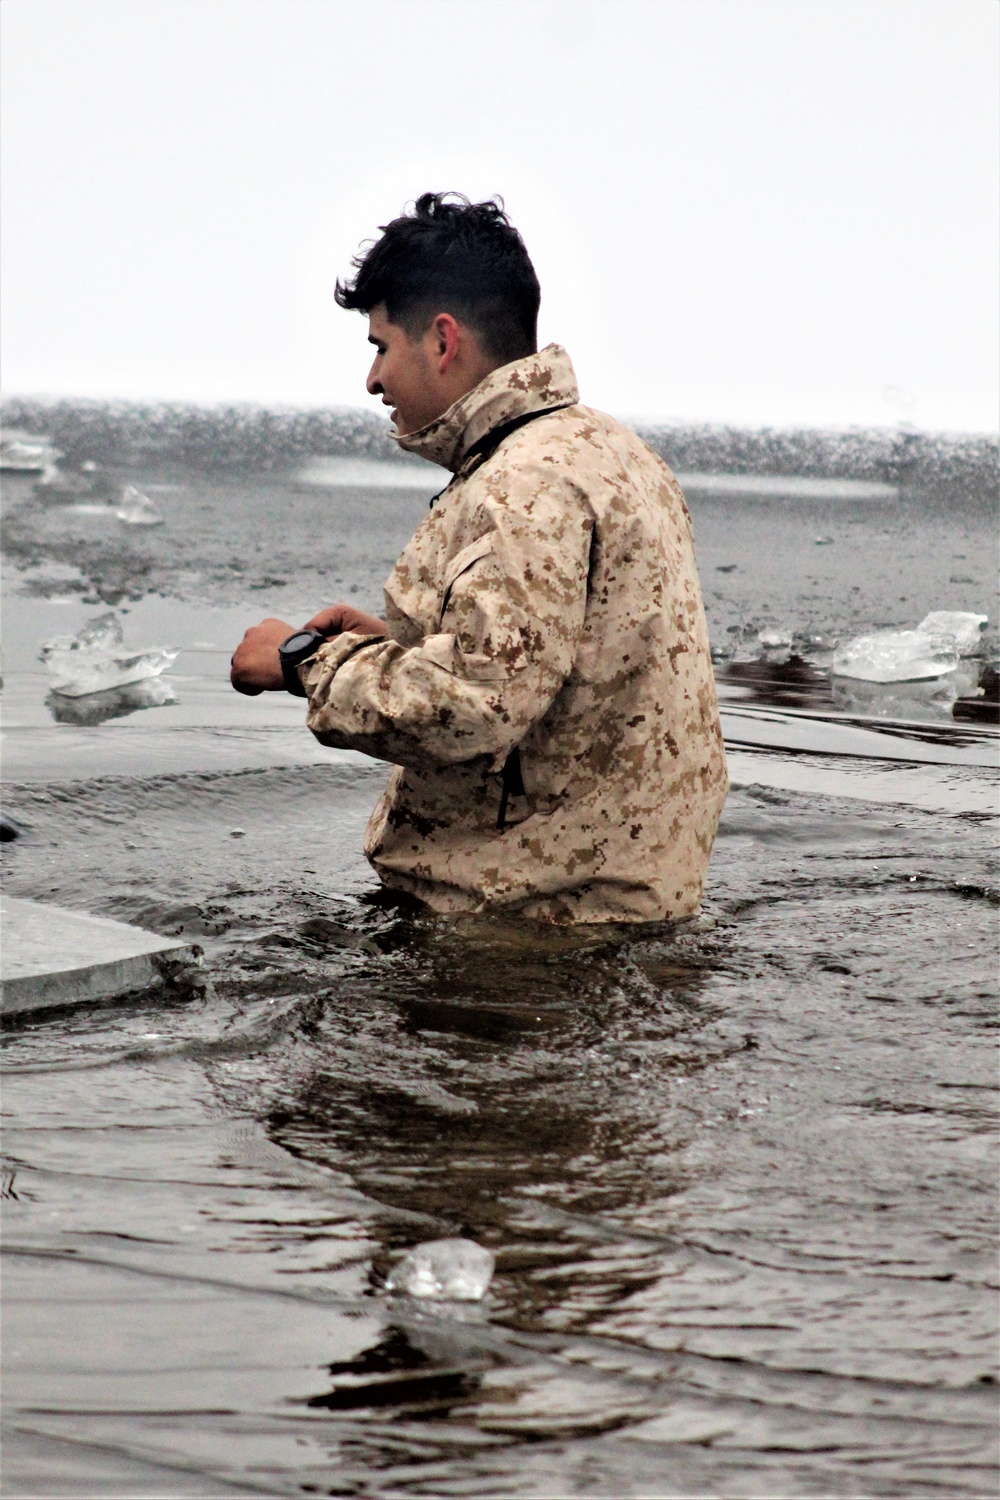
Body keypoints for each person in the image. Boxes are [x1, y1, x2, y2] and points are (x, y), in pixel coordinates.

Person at [231, 193, 727, 923]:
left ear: (441, 339)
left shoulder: (522, 484)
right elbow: (566, 666)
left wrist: (305, 660)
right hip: (618, 909)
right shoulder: (612, 452)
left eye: (379, 346)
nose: (371, 380)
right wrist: (399, 650)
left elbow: (476, 702)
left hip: (531, 933)